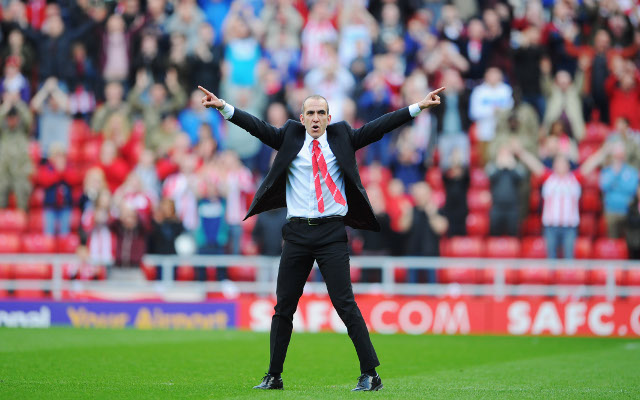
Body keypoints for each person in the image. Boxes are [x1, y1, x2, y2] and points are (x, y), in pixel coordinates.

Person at [198, 84, 444, 391]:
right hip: (297, 233)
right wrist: (223, 106)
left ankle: (371, 374)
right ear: (302, 118)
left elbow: (380, 126)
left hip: (331, 233)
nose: (315, 118)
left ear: (329, 117)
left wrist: (418, 107)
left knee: (345, 304)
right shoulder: (289, 136)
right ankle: (274, 375)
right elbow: (256, 127)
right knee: (283, 308)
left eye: (321, 113)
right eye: (310, 113)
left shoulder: (343, 137)